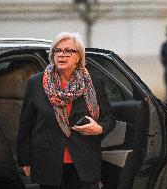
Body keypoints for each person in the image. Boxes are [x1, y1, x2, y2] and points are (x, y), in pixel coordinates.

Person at [17, 32, 116, 189]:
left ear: (78, 57)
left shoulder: (93, 83)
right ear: (52, 55)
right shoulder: (36, 83)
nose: (62, 55)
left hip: (84, 162)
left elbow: (109, 118)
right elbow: (25, 125)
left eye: (69, 51)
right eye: (58, 50)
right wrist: (25, 160)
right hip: (48, 162)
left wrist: (99, 128)